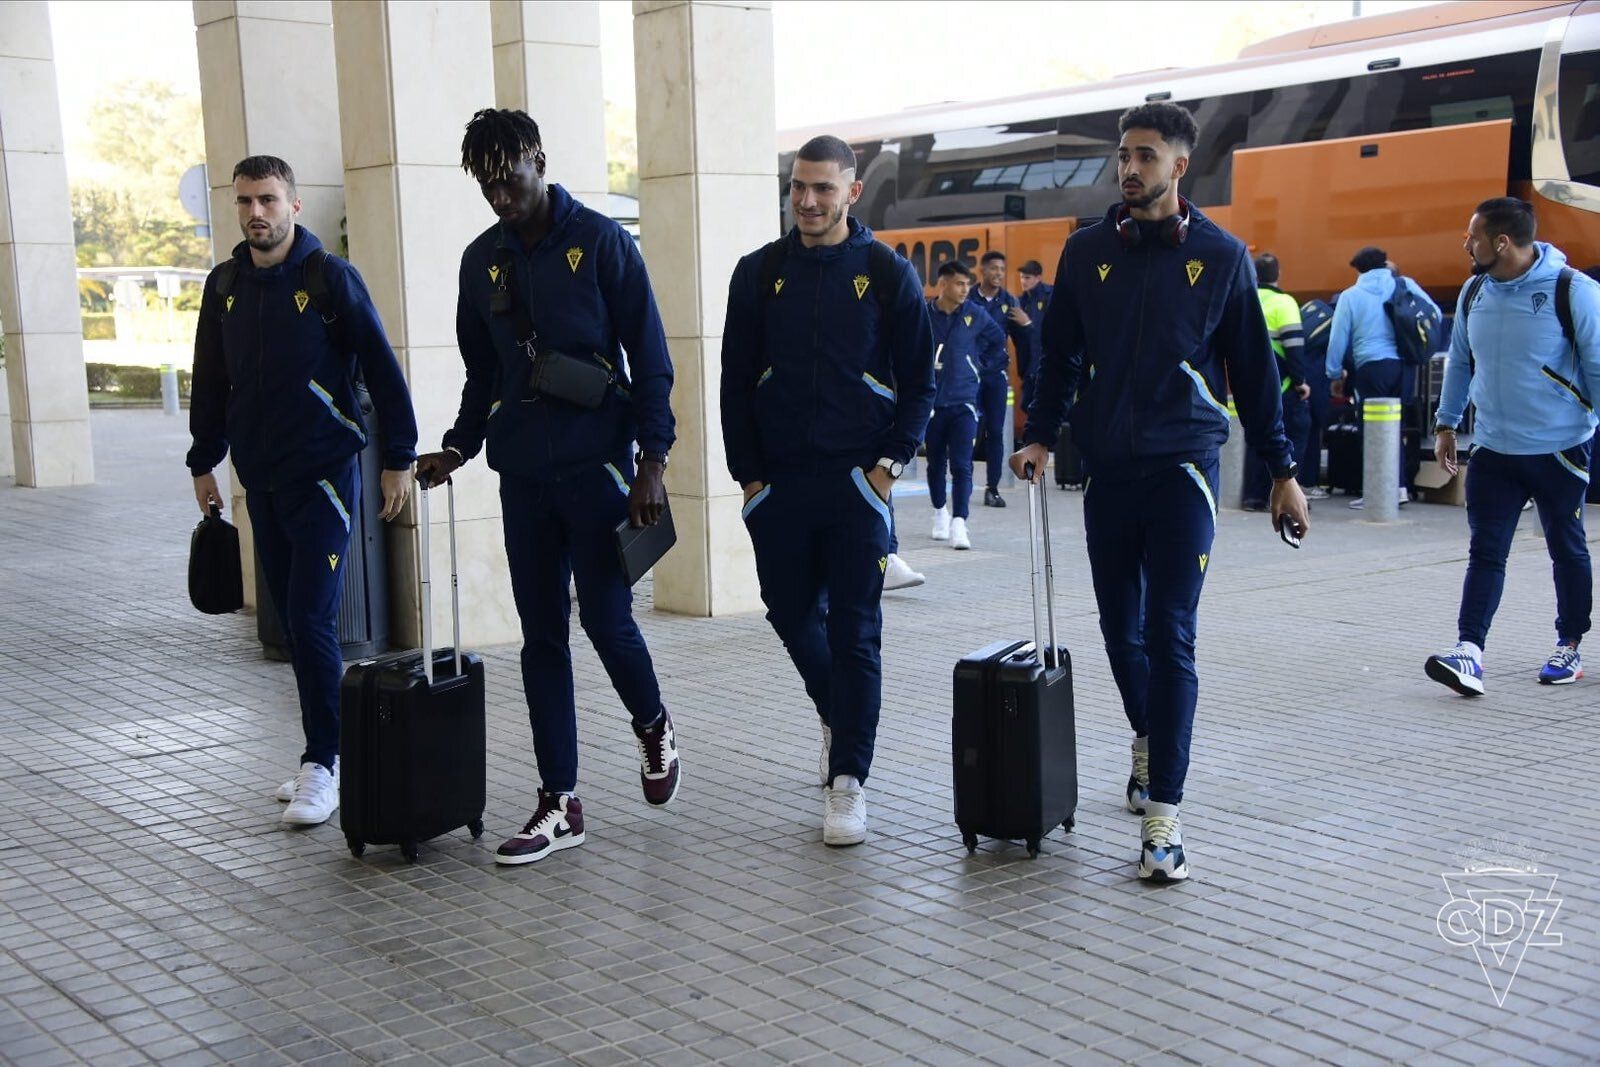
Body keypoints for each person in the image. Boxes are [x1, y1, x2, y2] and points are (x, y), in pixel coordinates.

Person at [1010, 103, 1309, 883]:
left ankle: (1165, 819)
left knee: (1171, 630)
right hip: (1109, 470)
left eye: (1145, 155)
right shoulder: (1083, 255)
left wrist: (1282, 471)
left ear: (1180, 166)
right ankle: (1148, 735)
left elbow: (1255, 371)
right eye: (1124, 154)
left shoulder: (1222, 256)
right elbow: (1059, 360)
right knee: (1120, 628)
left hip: (1184, 467)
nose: (1129, 167)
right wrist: (1040, 432)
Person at [415, 108, 680, 866]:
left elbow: (651, 358)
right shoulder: (481, 261)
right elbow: (483, 373)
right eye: (486, 184)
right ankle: (560, 800)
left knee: (605, 619)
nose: (500, 195)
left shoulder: (600, 242)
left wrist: (651, 461)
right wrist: (458, 447)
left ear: (538, 157)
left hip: (598, 471)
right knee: (542, 638)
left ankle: (653, 722)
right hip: (524, 476)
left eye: (510, 177)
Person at [187, 155, 418, 828]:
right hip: (262, 480)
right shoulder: (225, 285)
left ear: (293, 205)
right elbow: (209, 378)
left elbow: (382, 366)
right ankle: (327, 752)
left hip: (325, 480)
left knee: (313, 618)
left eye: (267, 199)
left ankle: (324, 762)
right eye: (244, 201)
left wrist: (398, 457)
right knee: (293, 623)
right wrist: (205, 461)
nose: (255, 212)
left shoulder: (329, 280)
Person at [720, 134, 935, 847]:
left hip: (856, 486)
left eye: (823, 188)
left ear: (852, 191)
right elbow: (733, 386)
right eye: (798, 188)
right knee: (787, 611)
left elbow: (919, 385)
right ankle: (837, 714)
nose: (808, 201)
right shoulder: (758, 273)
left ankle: (849, 780)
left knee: (856, 631)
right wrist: (750, 481)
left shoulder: (884, 272)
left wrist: (886, 471)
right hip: (779, 485)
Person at [1425, 197, 1597, 696]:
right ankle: (1469, 652)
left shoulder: (1573, 290)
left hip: (1559, 448)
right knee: (1486, 550)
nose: (1465, 243)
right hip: (1495, 450)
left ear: (1500, 242)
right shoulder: (1474, 289)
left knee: (1566, 548)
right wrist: (1446, 425)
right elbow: (1460, 359)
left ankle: (1569, 644)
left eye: (1472, 236)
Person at [1325, 246, 1440, 508]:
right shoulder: (1404, 284)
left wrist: (1333, 373)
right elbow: (1431, 311)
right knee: (1394, 428)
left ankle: (1378, 490)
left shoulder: (1351, 296)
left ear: (1359, 269)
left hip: (1371, 368)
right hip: (1404, 366)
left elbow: (1338, 339)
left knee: (1373, 429)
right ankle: (1398, 487)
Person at [925, 260, 1007, 550]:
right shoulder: (924, 314)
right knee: (936, 462)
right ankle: (940, 513)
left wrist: (978, 367)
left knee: (963, 465)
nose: (964, 289)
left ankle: (960, 522)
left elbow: (998, 341)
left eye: (967, 284)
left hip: (964, 403)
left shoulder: (975, 314)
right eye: (959, 283)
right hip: (932, 404)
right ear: (943, 284)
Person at [1242, 253, 1310, 511]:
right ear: (1278, 275)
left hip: (1249, 384)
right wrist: (1300, 381)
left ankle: (1253, 496)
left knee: (1254, 438)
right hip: (1281, 384)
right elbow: (1294, 346)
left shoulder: (1247, 297)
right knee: (1288, 438)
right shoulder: (1285, 302)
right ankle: (1285, 494)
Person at [971, 250, 1032, 507]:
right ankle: (961, 483)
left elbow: (1023, 342)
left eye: (1002, 270)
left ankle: (992, 488)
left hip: (996, 377)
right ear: (982, 270)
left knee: (995, 432)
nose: (998, 274)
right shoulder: (968, 298)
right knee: (968, 431)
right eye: (994, 268)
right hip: (970, 375)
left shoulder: (1009, 302)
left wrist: (1027, 326)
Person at [1017, 259, 1053, 415]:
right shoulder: (1021, 301)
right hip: (1029, 368)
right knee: (1027, 405)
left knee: (1046, 408)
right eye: (1022, 277)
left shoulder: (1049, 295)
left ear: (1038, 277)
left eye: (1028, 277)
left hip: (1046, 364)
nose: (1023, 281)